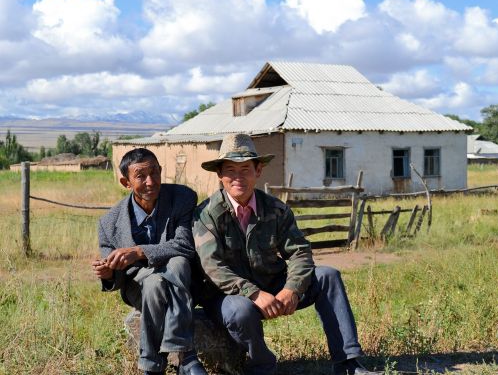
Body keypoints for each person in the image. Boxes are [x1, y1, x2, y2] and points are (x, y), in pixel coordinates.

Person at [193, 134, 376, 375]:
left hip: (272, 283)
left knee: (328, 276)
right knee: (241, 310)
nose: (238, 177)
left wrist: (293, 288)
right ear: (220, 174)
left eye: (246, 169)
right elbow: (212, 267)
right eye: (230, 170)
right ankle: (262, 365)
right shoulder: (206, 215)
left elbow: (299, 252)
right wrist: (254, 293)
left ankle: (348, 363)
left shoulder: (276, 209)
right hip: (227, 295)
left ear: (258, 171)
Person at [91, 148, 207, 375]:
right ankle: (187, 357)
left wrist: (138, 251)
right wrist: (107, 274)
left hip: (182, 282)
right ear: (126, 182)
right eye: (140, 176)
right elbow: (114, 273)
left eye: (154, 173)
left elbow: (184, 245)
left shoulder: (182, 198)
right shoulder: (108, 223)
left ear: (161, 171)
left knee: (178, 264)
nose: (151, 181)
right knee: (154, 282)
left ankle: (152, 366)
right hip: (138, 287)